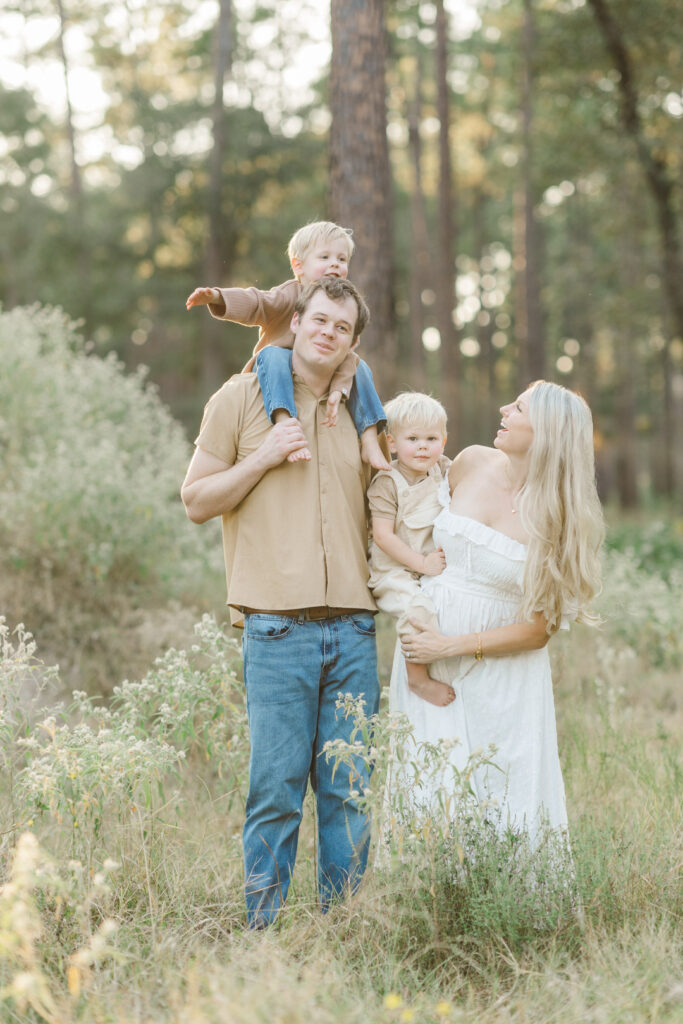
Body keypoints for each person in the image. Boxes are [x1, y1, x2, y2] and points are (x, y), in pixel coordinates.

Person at [181, 276, 380, 928]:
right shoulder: (242, 398)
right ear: (296, 319)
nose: (327, 332)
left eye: (341, 327)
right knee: (275, 794)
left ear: (352, 341)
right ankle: (260, 939)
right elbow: (196, 500)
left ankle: (343, 931)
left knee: (349, 791)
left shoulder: (362, 410)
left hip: (354, 630)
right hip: (275, 632)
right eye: (318, 319)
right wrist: (265, 456)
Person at [397, 381, 605, 844]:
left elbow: (538, 632)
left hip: (502, 675)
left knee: (503, 791)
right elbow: (406, 505)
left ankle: (512, 909)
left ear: (547, 430)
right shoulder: (469, 462)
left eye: (519, 407)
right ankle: (428, 905)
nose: (503, 409)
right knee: (429, 788)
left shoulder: (557, 517)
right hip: (424, 659)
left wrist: (450, 645)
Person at [185, 220, 389, 470]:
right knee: (274, 353)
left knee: (360, 366)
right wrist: (218, 297)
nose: (335, 263)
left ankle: (369, 439)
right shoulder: (290, 294)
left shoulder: (342, 301)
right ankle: (283, 420)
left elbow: (347, 359)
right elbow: (257, 302)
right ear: (298, 266)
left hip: (319, 375)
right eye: (324, 257)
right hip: (274, 372)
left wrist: (339, 390)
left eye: (342, 259)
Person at [367, 392, 456, 708]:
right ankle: (417, 678)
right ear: (391, 444)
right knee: (416, 608)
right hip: (395, 569)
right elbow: (383, 536)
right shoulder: (386, 483)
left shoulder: (443, 470)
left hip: (431, 563)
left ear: (443, 442)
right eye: (413, 438)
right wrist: (422, 564)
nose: (422, 446)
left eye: (431, 438)